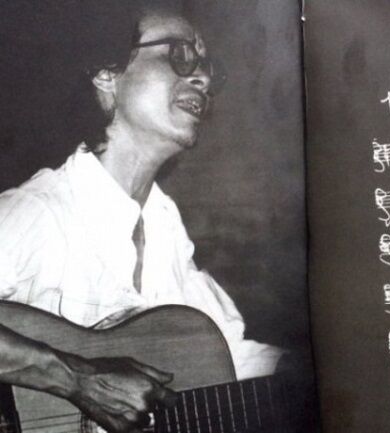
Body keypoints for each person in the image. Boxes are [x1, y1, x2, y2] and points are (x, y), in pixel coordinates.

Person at [0, 1, 284, 431]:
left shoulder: (165, 226)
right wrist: (75, 379)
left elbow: (232, 359)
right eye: (180, 54)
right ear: (107, 73)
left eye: (208, 66)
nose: (204, 78)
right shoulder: (39, 211)